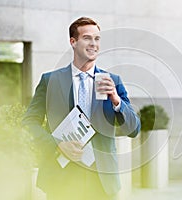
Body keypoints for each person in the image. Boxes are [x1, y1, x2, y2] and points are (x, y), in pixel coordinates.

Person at [22, 17, 141, 200]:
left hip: (101, 178)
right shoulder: (50, 81)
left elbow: (134, 129)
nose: (93, 44)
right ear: (73, 42)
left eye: (97, 39)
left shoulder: (113, 81)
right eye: (87, 38)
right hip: (61, 175)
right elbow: (29, 122)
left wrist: (117, 101)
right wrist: (57, 145)